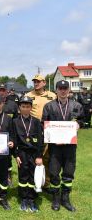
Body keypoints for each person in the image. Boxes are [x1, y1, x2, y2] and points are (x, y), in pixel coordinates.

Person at [42, 80, 83, 212]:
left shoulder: (76, 105)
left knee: (68, 173)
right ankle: (55, 198)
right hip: (55, 146)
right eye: (60, 88)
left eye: (65, 88)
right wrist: (53, 137)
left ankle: (65, 198)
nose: (63, 90)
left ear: (69, 89)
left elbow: (82, 119)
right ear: (56, 90)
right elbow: (44, 124)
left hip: (70, 146)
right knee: (54, 173)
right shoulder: (49, 106)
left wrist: (78, 125)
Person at [25, 74, 56, 191]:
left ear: (44, 83)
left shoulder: (52, 96)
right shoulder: (28, 95)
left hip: (48, 129)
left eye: (38, 81)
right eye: (34, 81)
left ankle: (46, 183)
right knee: (33, 156)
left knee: (47, 157)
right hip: (32, 130)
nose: (36, 83)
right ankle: (33, 182)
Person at [13, 96, 44, 212]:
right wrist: (16, 155)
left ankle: (32, 198)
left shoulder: (36, 121)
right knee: (22, 176)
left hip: (34, 153)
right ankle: (23, 198)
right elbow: (14, 139)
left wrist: (39, 156)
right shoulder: (15, 122)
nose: (25, 109)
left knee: (33, 176)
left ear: (31, 107)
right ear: (19, 107)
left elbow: (40, 140)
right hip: (22, 153)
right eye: (23, 106)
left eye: (28, 106)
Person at [0, 83, 18, 186]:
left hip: (8, 134)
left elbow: (16, 120)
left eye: (3, 90)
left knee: (8, 157)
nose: (2, 92)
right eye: (0, 90)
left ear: (7, 91)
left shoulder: (13, 104)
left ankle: (8, 176)